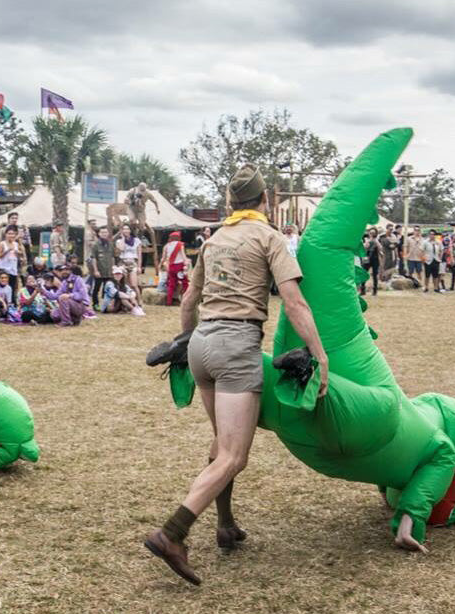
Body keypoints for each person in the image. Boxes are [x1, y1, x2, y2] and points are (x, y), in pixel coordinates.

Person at [144, 163, 328, 586]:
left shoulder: (214, 239)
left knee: (220, 444)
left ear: (230, 202)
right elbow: (294, 303)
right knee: (234, 455)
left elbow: (189, 298)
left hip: (202, 345)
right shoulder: (269, 237)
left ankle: (225, 524)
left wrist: (186, 340)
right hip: (236, 344)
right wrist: (321, 357)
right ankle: (172, 534)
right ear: (265, 201)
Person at [88, 226, 116, 309]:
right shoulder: (95, 245)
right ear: (99, 234)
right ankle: (95, 304)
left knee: (107, 288)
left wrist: (113, 268)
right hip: (99, 271)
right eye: (102, 232)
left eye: (106, 232)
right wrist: (96, 270)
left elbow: (112, 257)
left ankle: (105, 304)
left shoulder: (110, 244)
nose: (104, 234)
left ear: (108, 234)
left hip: (108, 271)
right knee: (96, 288)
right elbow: (93, 258)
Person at [160, 230, 190, 306]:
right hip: (179, 266)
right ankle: (188, 300)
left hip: (171, 266)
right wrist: (186, 263)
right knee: (185, 283)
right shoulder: (180, 244)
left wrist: (160, 265)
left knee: (171, 284)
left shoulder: (166, 246)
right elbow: (183, 256)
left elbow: (163, 258)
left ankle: (169, 301)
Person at [115, 224, 142, 299]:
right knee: (125, 284)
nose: (126, 230)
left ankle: (139, 301)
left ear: (130, 230)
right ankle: (127, 301)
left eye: (127, 229)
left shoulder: (137, 240)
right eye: (124, 229)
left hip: (133, 263)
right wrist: (123, 238)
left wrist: (139, 266)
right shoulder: (119, 241)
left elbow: (139, 254)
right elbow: (122, 249)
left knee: (134, 284)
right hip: (123, 263)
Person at [0, 226, 23, 296]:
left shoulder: (16, 244)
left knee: (13, 288)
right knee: (3, 289)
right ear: (6, 234)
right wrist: (7, 251)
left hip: (13, 269)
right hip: (3, 269)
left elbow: (20, 255)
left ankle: (12, 303)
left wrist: (19, 254)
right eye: (9, 234)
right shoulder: (2, 244)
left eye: (13, 234)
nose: (11, 236)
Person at [360, 228, 383, 296]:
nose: (372, 234)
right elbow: (364, 247)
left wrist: (375, 241)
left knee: (375, 275)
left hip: (375, 259)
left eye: (373, 233)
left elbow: (380, 248)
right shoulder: (366, 240)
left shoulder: (377, 240)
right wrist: (367, 242)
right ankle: (362, 290)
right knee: (364, 273)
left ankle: (375, 291)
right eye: (371, 233)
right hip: (367, 258)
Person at [422, 229, 443, 293]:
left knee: (435, 275)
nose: (432, 235)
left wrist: (440, 258)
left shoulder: (438, 242)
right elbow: (422, 250)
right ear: (429, 235)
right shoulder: (425, 242)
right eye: (431, 234)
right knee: (427, 275)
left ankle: (436, 287)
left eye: (433, 234)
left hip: (436, 259)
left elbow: (441, 250)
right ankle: (426, 287)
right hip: (428, 260)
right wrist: (423, 259)